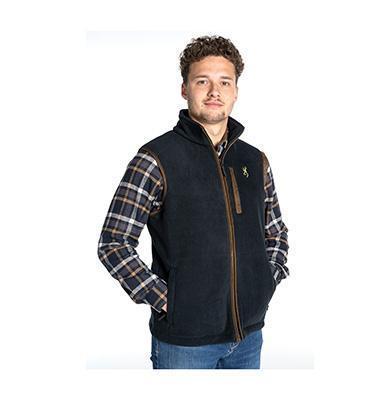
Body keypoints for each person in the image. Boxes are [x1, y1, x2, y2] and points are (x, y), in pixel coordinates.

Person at [97, 35, 290, 369]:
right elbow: (114, 243)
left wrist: (266, 282)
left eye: (224, 82)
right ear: (185, 89)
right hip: (184, 345)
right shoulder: (156, 159)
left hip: (249, 338)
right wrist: (168, 301)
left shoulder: (255, 160)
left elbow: (275, 232)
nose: (215, 91)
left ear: (235, 91)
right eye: (203, 81)